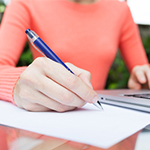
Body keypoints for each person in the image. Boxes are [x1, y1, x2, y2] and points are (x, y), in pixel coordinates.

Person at [0, 0, 149, 112]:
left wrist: (143, 76)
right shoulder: (26, 3)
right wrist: (17, 84)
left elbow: (141, 68)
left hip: (94, 119)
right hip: (49, 119)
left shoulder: (120, 9)